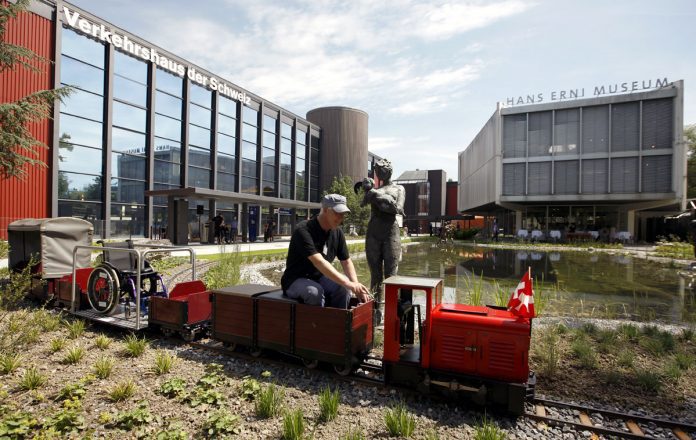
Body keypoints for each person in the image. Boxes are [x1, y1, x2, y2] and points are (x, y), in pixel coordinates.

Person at [281, 194, 370, 308]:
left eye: (343, 214)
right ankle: (317, 324)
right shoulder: (303, 230)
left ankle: (340, 321)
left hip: (319, 278)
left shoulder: (337, 232)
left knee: (344, 288)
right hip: (295, 279)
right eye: (337, 213)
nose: (341, 218)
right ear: (325, 210)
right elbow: (319, 262)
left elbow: (346, 261)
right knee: (314, 292)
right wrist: (348, 283)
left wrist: (355, 284)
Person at [361, 158, 405, 295]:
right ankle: (376, 312)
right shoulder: (374, 190)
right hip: (373, 233)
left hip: (390, 232)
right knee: (375, 276)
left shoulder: (398, 188)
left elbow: (397, 209)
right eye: (377, 171)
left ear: (389, 171)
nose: (379, 173)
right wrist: (382, 198)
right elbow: (363, 203)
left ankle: (393, 313)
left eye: (382, 170)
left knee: (391, 276)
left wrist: (378, 196)